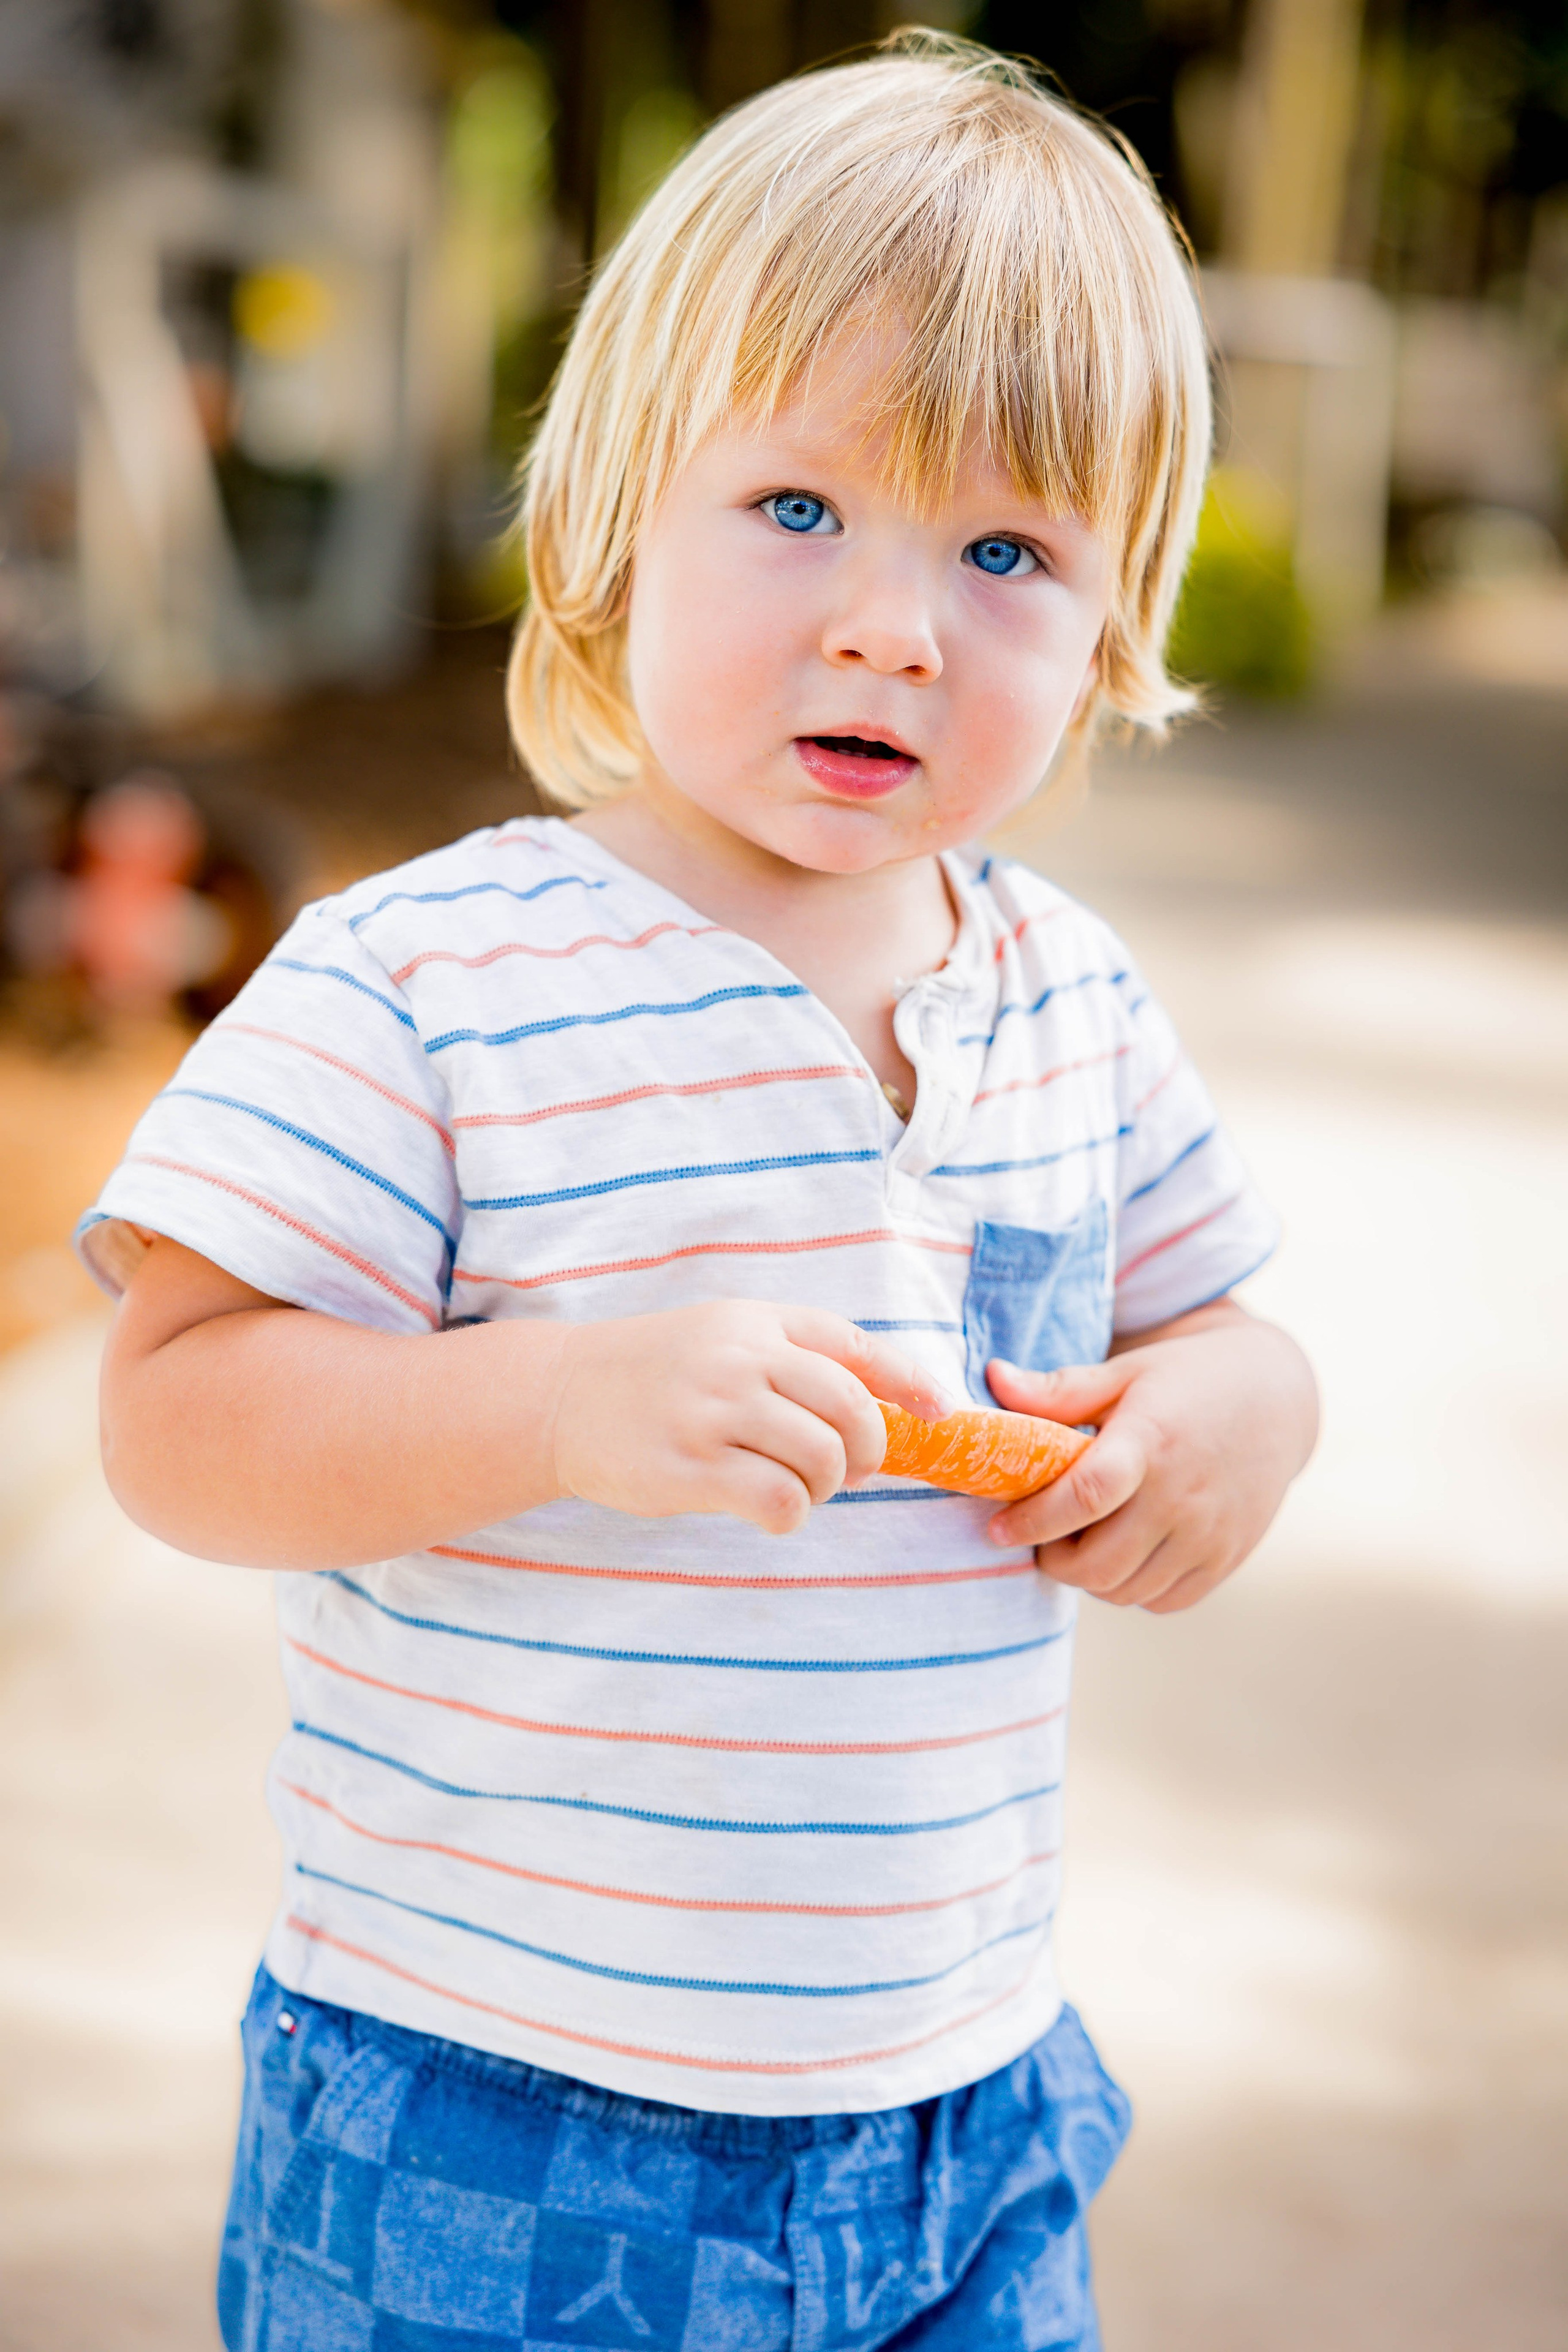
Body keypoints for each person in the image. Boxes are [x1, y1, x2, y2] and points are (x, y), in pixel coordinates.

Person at [84, 32, 1318, 2351]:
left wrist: (1226, 1429)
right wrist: (555, 1411)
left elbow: (1230, 1326)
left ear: (1113, 618)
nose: (894, 623)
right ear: (610, 518)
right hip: (498, 2109)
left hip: (962, 2098)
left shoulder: (1071, 995)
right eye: (797, 510)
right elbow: (177, 1411)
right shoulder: (430, 972)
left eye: (1008, 550)